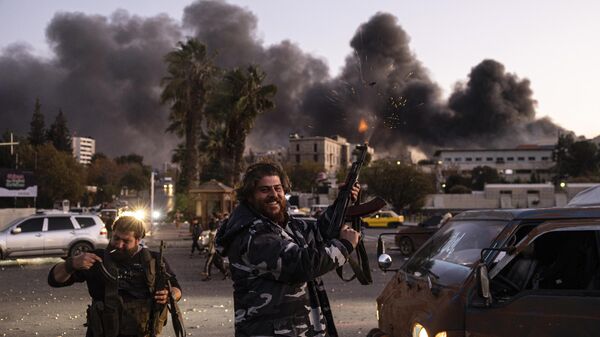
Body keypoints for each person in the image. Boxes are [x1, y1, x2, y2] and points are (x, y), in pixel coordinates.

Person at [216, 162, 360, 336]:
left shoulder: (280, 223)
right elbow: (301, 265)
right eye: (265, 190)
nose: (274, 195)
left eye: (278, 188)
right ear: (249, 196)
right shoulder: (253, 234)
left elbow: (319, 232)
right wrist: (344, 246)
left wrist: (342, 201)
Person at [48, 216, 182, 337]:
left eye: (126, 241)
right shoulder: (96, 259)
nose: (119, 245)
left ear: (138, 240)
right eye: (116, 238)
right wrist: (71, 264)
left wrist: (169, 295)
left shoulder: (154, 260)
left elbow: (176, 289)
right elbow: (54, 280)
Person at [202, 215, 229, 281]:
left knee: (208, 264)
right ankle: (226, 273)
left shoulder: (212, 234)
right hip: (216, 250)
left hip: (213, 251)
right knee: (217, 264)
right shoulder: (216, 232)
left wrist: (208, 250)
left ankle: (208, 276)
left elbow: (211, 243)